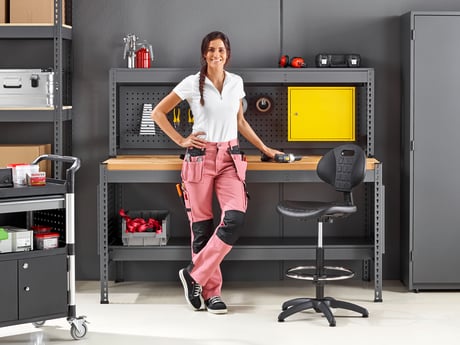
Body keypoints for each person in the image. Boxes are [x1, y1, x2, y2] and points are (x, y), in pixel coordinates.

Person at [151, 31, 281, 314]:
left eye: (220, 50)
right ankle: (212, 294)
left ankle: (193, 275)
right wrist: (181, 140)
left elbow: (240, 122)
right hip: (199, 158)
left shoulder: (236, 82)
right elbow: (158, 113)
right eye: (211, 50)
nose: (216, 55)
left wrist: (266, 148)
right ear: (204, 54)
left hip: (230, 158)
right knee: (202, 229)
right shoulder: (191, 84)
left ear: (228, 54)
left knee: (234, 218)